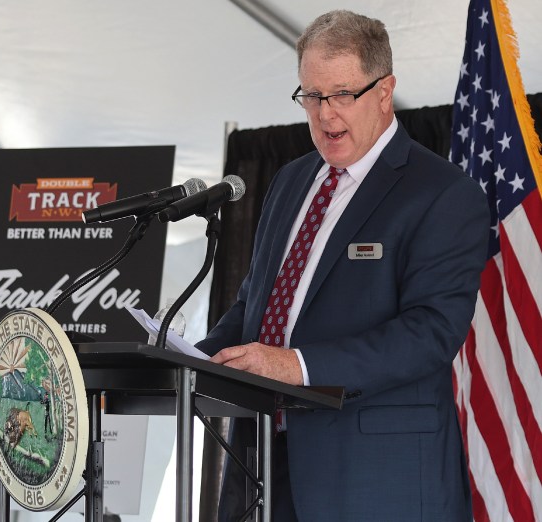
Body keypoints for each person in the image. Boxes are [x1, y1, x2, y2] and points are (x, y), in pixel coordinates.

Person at [196, 9, 490, 522]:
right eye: (311, 95)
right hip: (263, 463)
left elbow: (431, 332)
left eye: (342, 94)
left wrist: (298, 366)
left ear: (384, 90)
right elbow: (255, 307)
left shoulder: (441, 193)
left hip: (372, 478)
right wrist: (186, 362)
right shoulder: (290, 181)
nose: (326, 114)